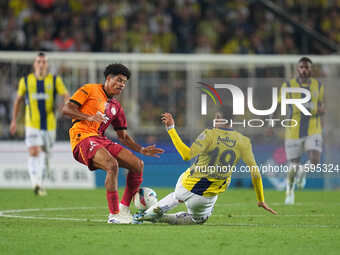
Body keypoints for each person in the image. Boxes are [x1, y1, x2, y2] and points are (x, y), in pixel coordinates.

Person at [134, 108, 277, 225]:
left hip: (186, 186)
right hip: (206, 198)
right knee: (197, 220)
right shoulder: (243, 141)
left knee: (183, 185)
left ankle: (146, 214)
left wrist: (171, 129)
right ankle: (159, 216)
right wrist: (260, 199)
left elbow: (186, 155)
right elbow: (256, 173)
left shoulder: (209, 135)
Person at [62, 63, 164, 224]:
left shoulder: (116, 107)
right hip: (82, 138)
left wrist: (141, 149)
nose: (122, 84)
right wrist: (88, 117)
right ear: (108, 78)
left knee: (137, 164)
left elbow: (122, 136)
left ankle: (124, 209)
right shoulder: (89, 89)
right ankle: (114, 214)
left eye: (124, 82)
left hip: (100, 139)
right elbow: (66, 109)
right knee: (112, 164)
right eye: (119, 80)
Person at [10, 52, 69, 196]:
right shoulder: (26, 81)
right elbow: (18, 100)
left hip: (49, 125)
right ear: (34, 64)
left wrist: (65, 106)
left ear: (47, 65)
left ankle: (41, 182)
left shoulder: (55, 80)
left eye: (44, 62)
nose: (41, 64)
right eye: (39, 62)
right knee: (34, 151)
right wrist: (14, 121)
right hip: (32, 124)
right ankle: (35, 182)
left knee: (45, 154)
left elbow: (66, 95)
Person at [271, 57, 325, 205]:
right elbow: (277, 105)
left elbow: (321, 106)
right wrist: (271, 122)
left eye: (307, 67)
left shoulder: (318, 85)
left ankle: (302, 173)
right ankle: (289, 191)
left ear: (311, 69)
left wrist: (321, 111)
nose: (304, 70)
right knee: (293, 165)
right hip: (293, 130)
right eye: (302, 67)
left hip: (313, 128)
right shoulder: (288, 85)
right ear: (297, 69)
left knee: (314, 160)